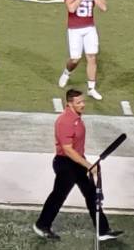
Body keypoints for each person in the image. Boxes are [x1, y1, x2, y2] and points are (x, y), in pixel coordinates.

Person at [33, 89, 114, 242]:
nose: (83, 105)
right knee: (58, 196)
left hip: (76, 162)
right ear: (69, 104)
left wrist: (84, 163)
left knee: (91, 195)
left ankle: (103, 230)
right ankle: (42, 225)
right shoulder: (65, 121)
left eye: (83, 101)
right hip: (66, 164)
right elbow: (68, 150)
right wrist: (88, 165)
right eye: (79, 102)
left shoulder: (76, 118)